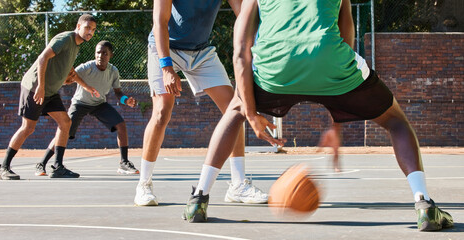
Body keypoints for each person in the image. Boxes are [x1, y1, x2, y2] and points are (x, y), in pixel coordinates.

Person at [182, 0, 454, 232]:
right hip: (332, 61)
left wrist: (250, 113)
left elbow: (241, 50)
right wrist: (338, 117)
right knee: (395, 120)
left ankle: (199, 199)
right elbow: (347, 34)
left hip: (275, 66)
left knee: (234, 111)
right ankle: (424, 203)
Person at [134, 0, 269, 206]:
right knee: (162, 111)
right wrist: (166, 67)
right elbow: (160, 21)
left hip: (201, 52)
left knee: (235, 110)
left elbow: (245, 13)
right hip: (165, 49)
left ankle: (238, 185)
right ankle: (144, 184)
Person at [0, 14, 97, 180]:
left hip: (50, 91)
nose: (90, 32)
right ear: (78, 27)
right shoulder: (65, 38)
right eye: (87, 28)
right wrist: (40, 87)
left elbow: (69, 69)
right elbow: (42, 57)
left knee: (65, 122)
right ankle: (3, 167)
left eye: (93, 30)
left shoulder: (76, 45)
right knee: (28, 128)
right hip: (34, 87)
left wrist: (87, 87)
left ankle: (57, 167)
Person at [35, 40, 139, 177]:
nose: (100, 56)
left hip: (99, 104)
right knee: (64, 131)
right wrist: (64, 79)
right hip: (80, 104)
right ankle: (42, 163)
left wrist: (127, 100)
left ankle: (124, 163)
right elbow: (69, 75)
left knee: (121, 125)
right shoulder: (86, 68)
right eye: (98, 53)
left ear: (110, 55)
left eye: (104, 53)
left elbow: (118, 92)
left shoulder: (113, 71)